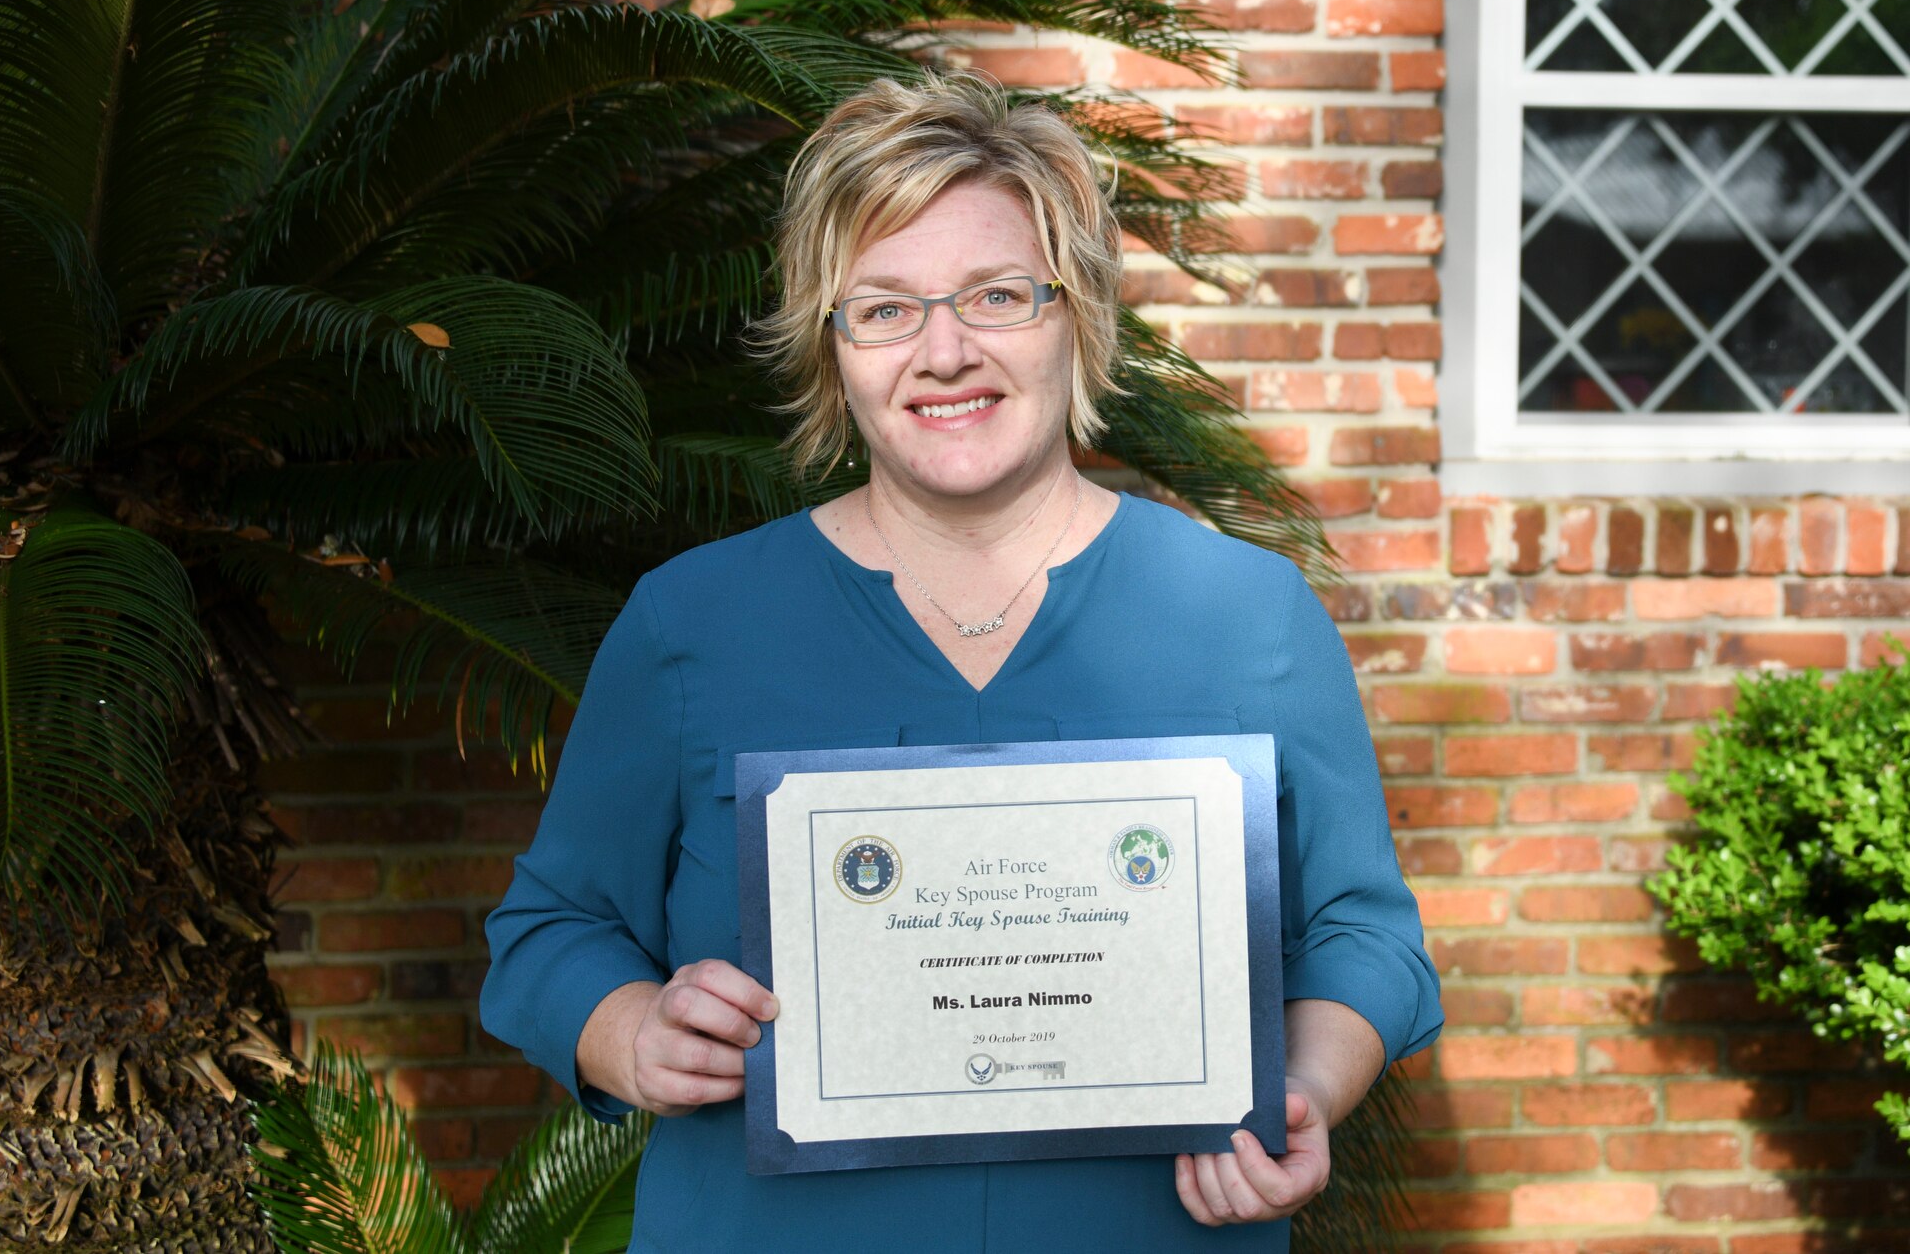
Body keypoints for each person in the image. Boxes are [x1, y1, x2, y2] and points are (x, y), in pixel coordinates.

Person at [481, 70, 1443, 1251]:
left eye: (995, 295)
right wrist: (628, 1029)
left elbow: (1366, 935)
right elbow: (549, 929)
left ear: (1076, 314)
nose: (942, 351)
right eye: (883, 308)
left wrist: (1308, 1086)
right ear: (830, 347)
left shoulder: (1245, 612)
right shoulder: (691, 622)